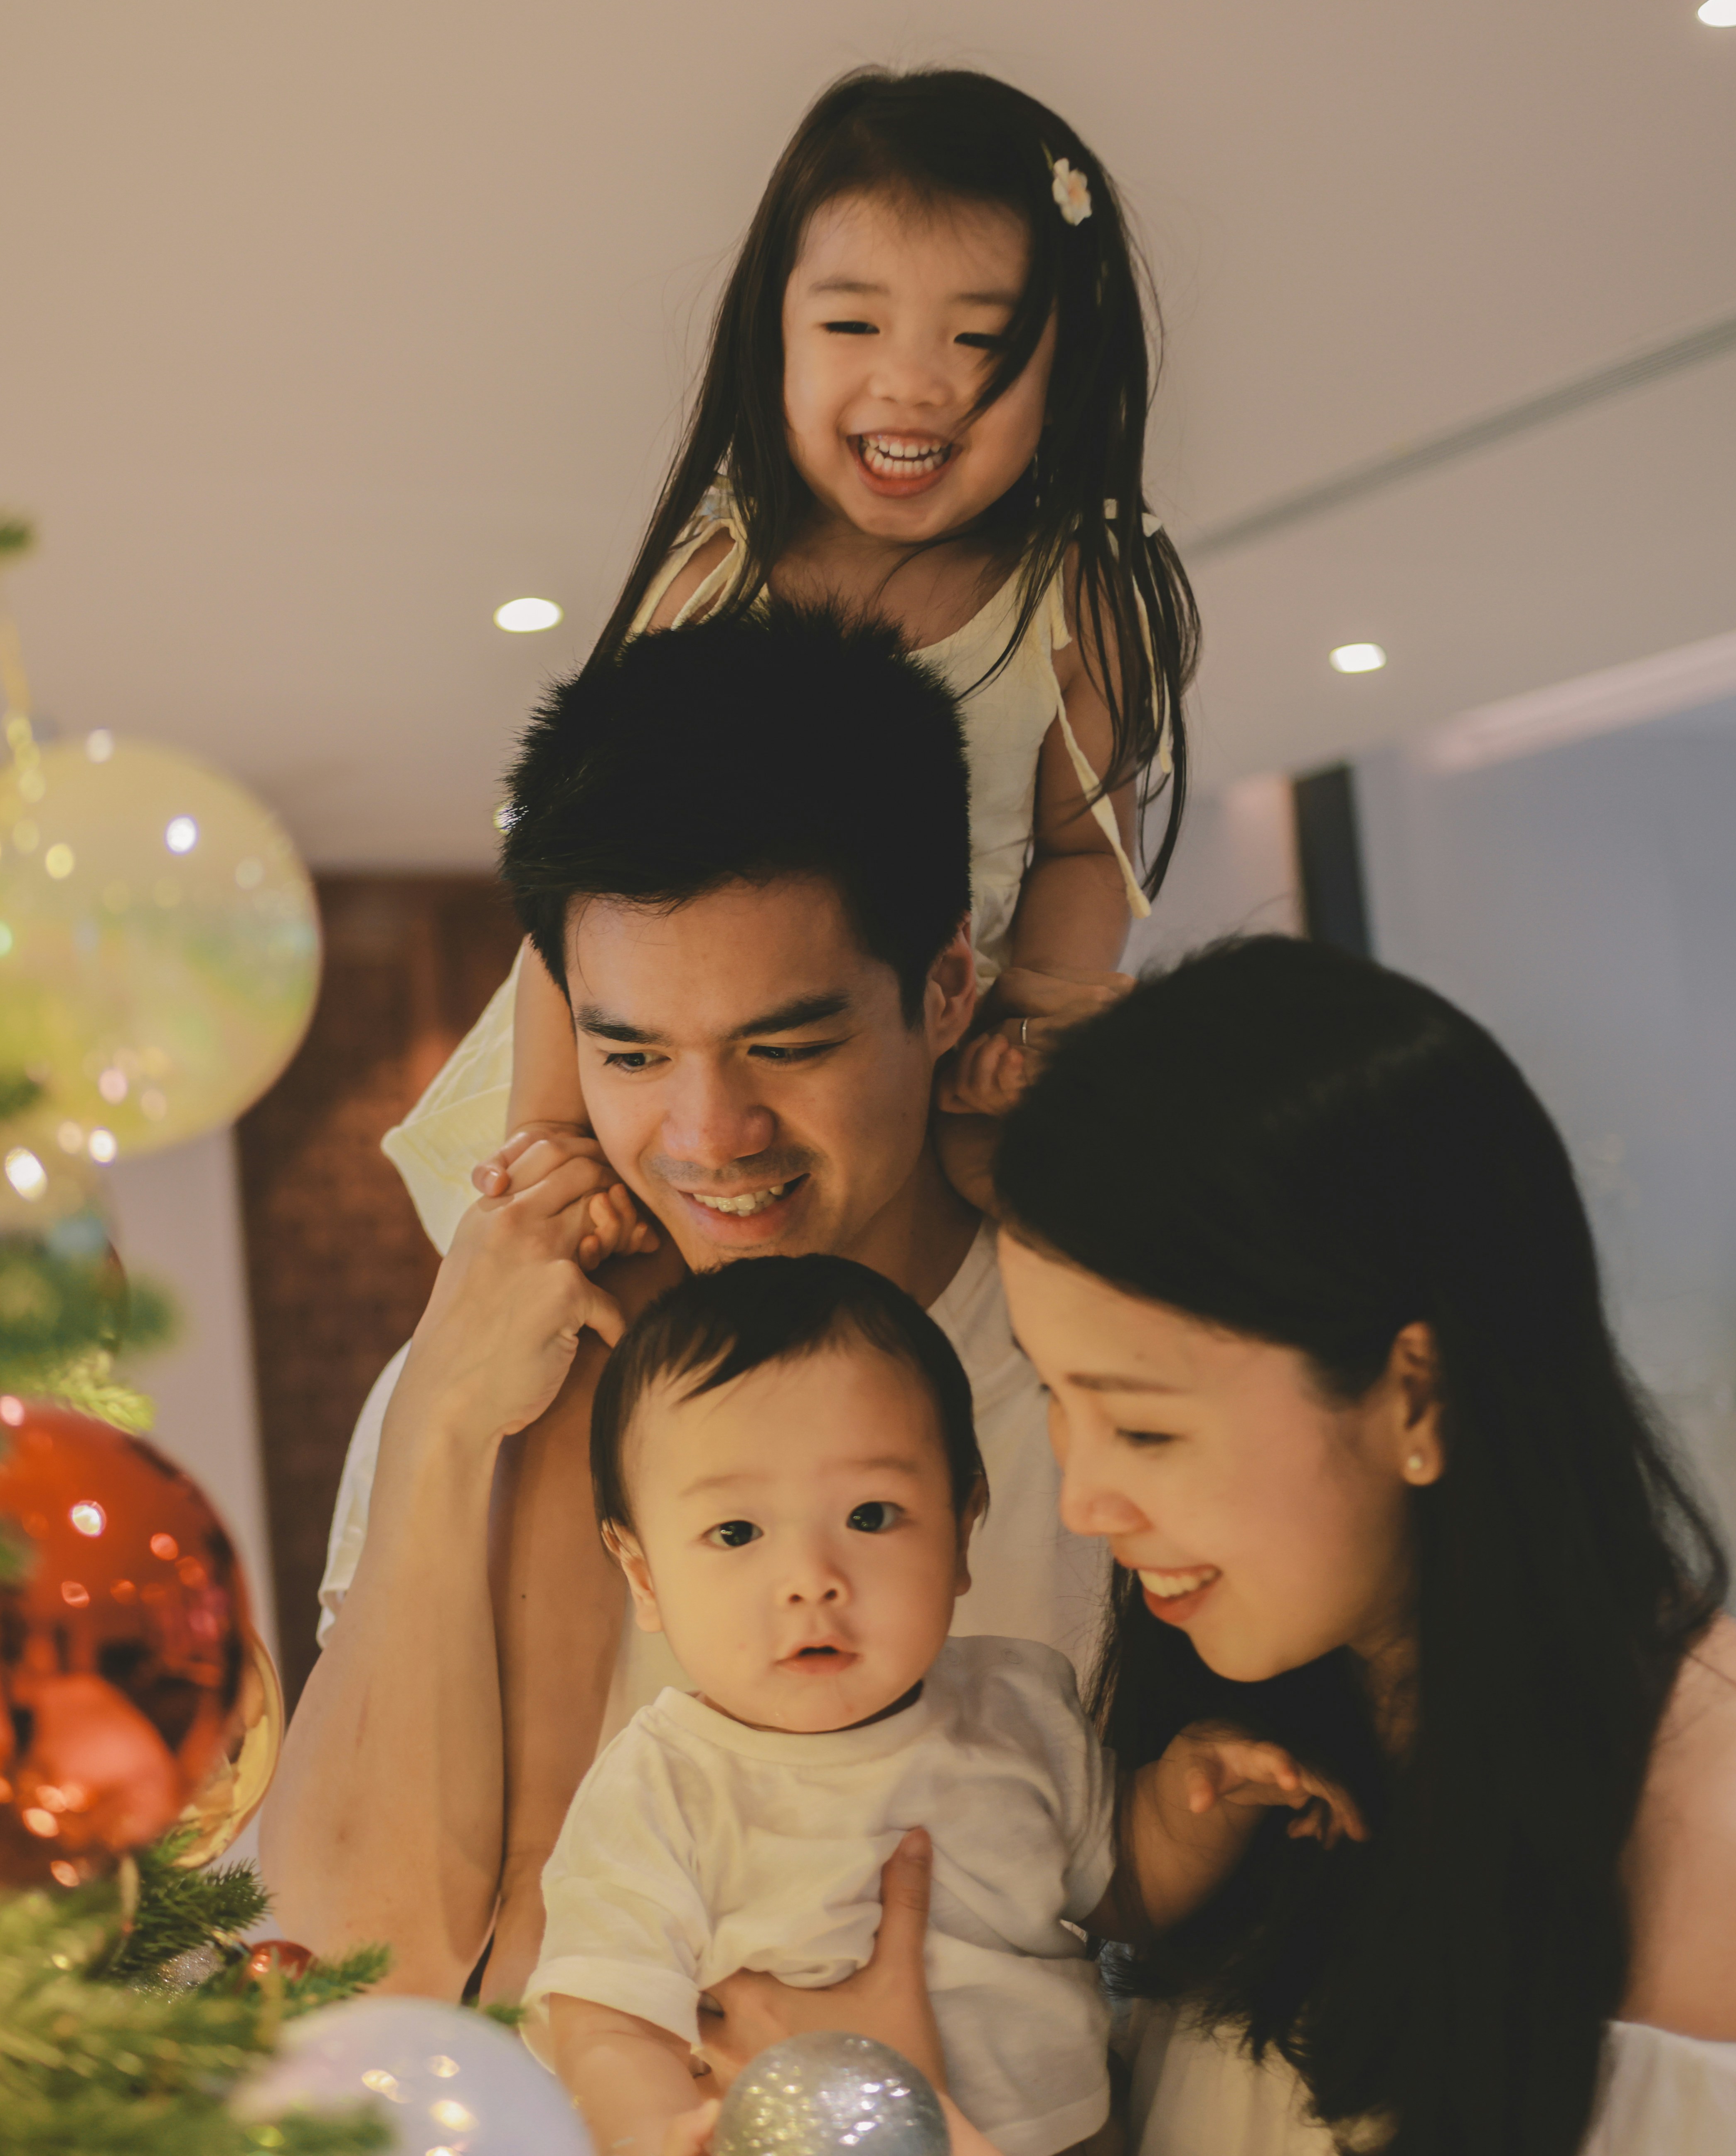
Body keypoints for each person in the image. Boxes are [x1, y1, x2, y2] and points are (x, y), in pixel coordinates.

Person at [683, 937, 1736, 2156]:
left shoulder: (1716, 1819)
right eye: (1058, 1401)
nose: (1084, 1502)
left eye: (1146, 1430)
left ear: (1415, 1397)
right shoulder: (1272, 1727)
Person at [259, 603, 1109, 2005]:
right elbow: (348, 1959)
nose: (707, 1136)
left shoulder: (1080, 1379)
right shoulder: (499, 1378)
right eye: (634, 1053)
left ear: (946, 984)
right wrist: (437, 1425)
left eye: (785, 1043)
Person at [380, 65, 1202, 1254]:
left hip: (924, 1041)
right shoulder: (718, 579)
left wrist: (1022, 1034)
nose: (911, 381)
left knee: (1019, 1239)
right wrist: (555, 1127)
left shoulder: (1070, 600)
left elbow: (1085, 850)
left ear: (1065, 366)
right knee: (592, 1245)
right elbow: (591, 882)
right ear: (773, 331)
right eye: (851, 324)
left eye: (978, 338)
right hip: (694, 1032)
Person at [528, 1256, 1117, 2156]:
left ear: (963, 1529)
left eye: (871, 1515)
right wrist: (661, 2132)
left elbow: (1125, 1891)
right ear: (644, 1577)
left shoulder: (1019, 1705)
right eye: (736, 1532)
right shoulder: (664, 1790)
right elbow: (603, 2021)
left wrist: (1204, 1810)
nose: (811, 1580)